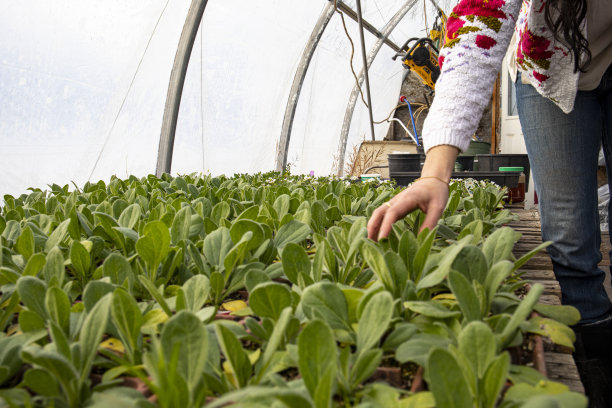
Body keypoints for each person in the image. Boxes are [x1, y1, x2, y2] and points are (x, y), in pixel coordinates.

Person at [367, 0, 611, 401]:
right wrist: (434, 173)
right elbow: (477, 30)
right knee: (568, 238)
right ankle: (595, 382)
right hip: (547, 65)